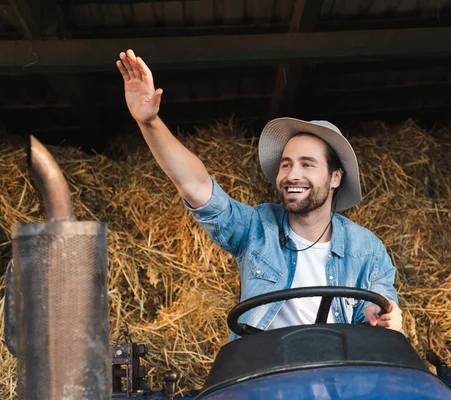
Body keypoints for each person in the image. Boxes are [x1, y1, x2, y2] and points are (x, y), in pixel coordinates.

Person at [116, 49, 404, 342]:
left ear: (334, 177)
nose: (292, 174)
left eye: (307, 164)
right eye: (286, 164)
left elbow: (382, 313)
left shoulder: (367, 249)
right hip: (264, 375)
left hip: (335, 377)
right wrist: (149, 122)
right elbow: (197, 186)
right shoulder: (256, 228)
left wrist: (383, 316)